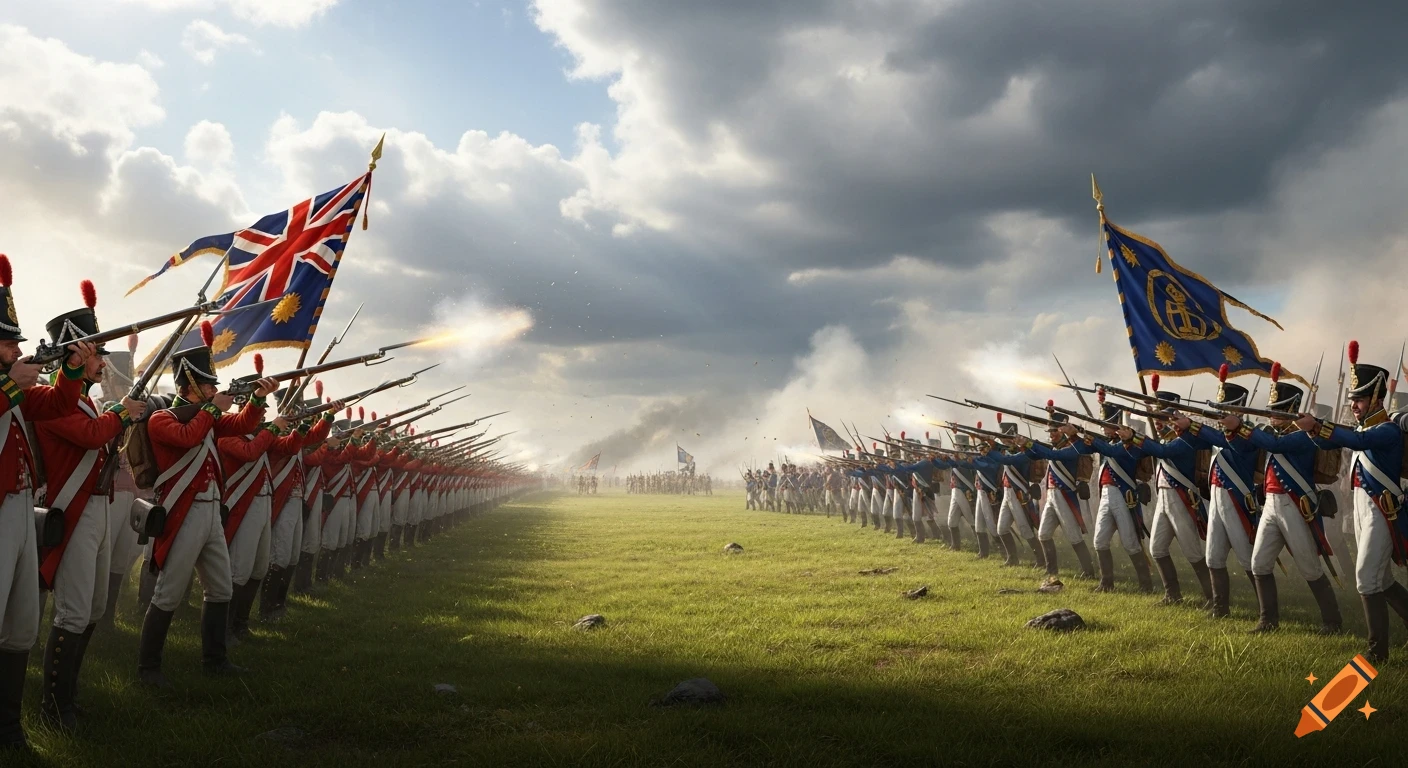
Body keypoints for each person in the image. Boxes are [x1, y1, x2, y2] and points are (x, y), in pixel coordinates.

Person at [33, 283, 147, 729]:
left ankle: (70, 697)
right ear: (74, 356)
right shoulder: (56, 401)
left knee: (95, 606)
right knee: (75, 610)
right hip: (74, 510)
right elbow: (91, 436)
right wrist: (120, 414)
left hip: (96, 508)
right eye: (96, 353)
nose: (103, 360)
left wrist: (118, 415)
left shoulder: (81, 400)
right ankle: (53, 708)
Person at [137, 322, 274, 688]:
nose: (215, 389)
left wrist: (258, 400)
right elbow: (188, 436)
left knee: (221, 588)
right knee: (169, 592)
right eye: (209, 385)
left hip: (211, 511)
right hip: (184, 512)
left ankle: (215, 659)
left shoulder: (208, 417)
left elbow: (242, 422)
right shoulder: (162, 418)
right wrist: (213, 409)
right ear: (191, 386)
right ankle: (148, 668)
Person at [0, 256, 94, 750]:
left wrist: (72, 368)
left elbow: (56, 404)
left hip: (16, 513)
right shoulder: (6, 387)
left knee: (19, 623)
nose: (15, 347)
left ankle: (10, 728)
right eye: (7, 340)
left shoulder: (12, 389)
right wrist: (15, 379)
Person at [1298, 342, 1408, 661]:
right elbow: (1339, 438)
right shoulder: (1364, 428)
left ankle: (1378, 652)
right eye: (1352, 400)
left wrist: (1318, 425)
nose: (1354, 405)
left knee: (1365, 577)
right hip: (1362, 510)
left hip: (1382, 512)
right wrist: (1310, 429)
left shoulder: (1385, 431)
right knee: (1380, 578)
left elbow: (1357, 440)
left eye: (1358, 399)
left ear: (1375, 397)